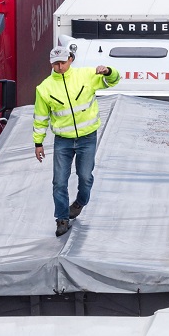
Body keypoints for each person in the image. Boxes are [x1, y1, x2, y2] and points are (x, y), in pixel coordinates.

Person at [33, 46, 120, 236]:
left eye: (62, 62)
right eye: (55, 64)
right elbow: (40, 118)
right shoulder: (44, 88)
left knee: (85, 176)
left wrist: (108, 71)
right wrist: (38, 143)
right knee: (59, 182)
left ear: (70, 59)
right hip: (63, 141)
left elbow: (114, 81)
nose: (59, 67)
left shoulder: (87, 75)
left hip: (87, 138)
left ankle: (80, 202)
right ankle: (62, 219)